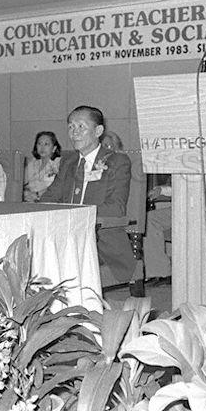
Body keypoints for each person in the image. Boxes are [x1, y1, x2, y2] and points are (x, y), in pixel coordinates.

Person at [40, 106, 134, 283]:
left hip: (100, 239)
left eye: (81, 127)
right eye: (70, 127)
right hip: (65, 236)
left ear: (98, 131)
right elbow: (50, 197)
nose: (74, 133)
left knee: (58, 261)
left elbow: (116, 208)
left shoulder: (117, 161)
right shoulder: (68, 162)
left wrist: (74, 216)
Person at [23, 131, 61, 202]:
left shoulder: (59, 163)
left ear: (54, 148)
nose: (42, 147)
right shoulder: (33, 163)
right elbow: (21, 183)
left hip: (49, 200)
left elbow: (59, 187)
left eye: (46, 144)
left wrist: (37, 195)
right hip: (30, 200)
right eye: (39, 144)